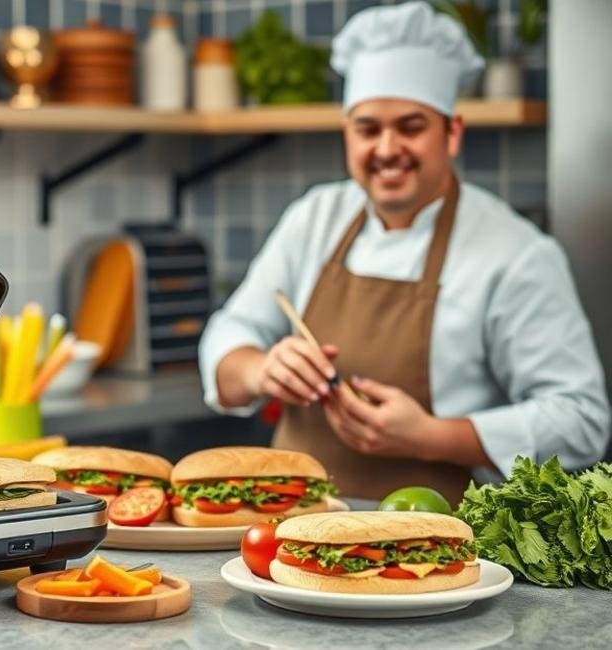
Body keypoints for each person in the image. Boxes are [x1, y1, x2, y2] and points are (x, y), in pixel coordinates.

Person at [198, 1, 609, 502]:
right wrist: (261, 370)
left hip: (438, 539)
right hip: (289, 529)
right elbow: (228, 336)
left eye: (411, 127)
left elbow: (581, 419)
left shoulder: (516, 253)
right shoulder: (315, 218)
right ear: (348, 133)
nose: (387, 148)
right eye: (368, 128)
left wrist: (432, 437)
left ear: (452, 132)